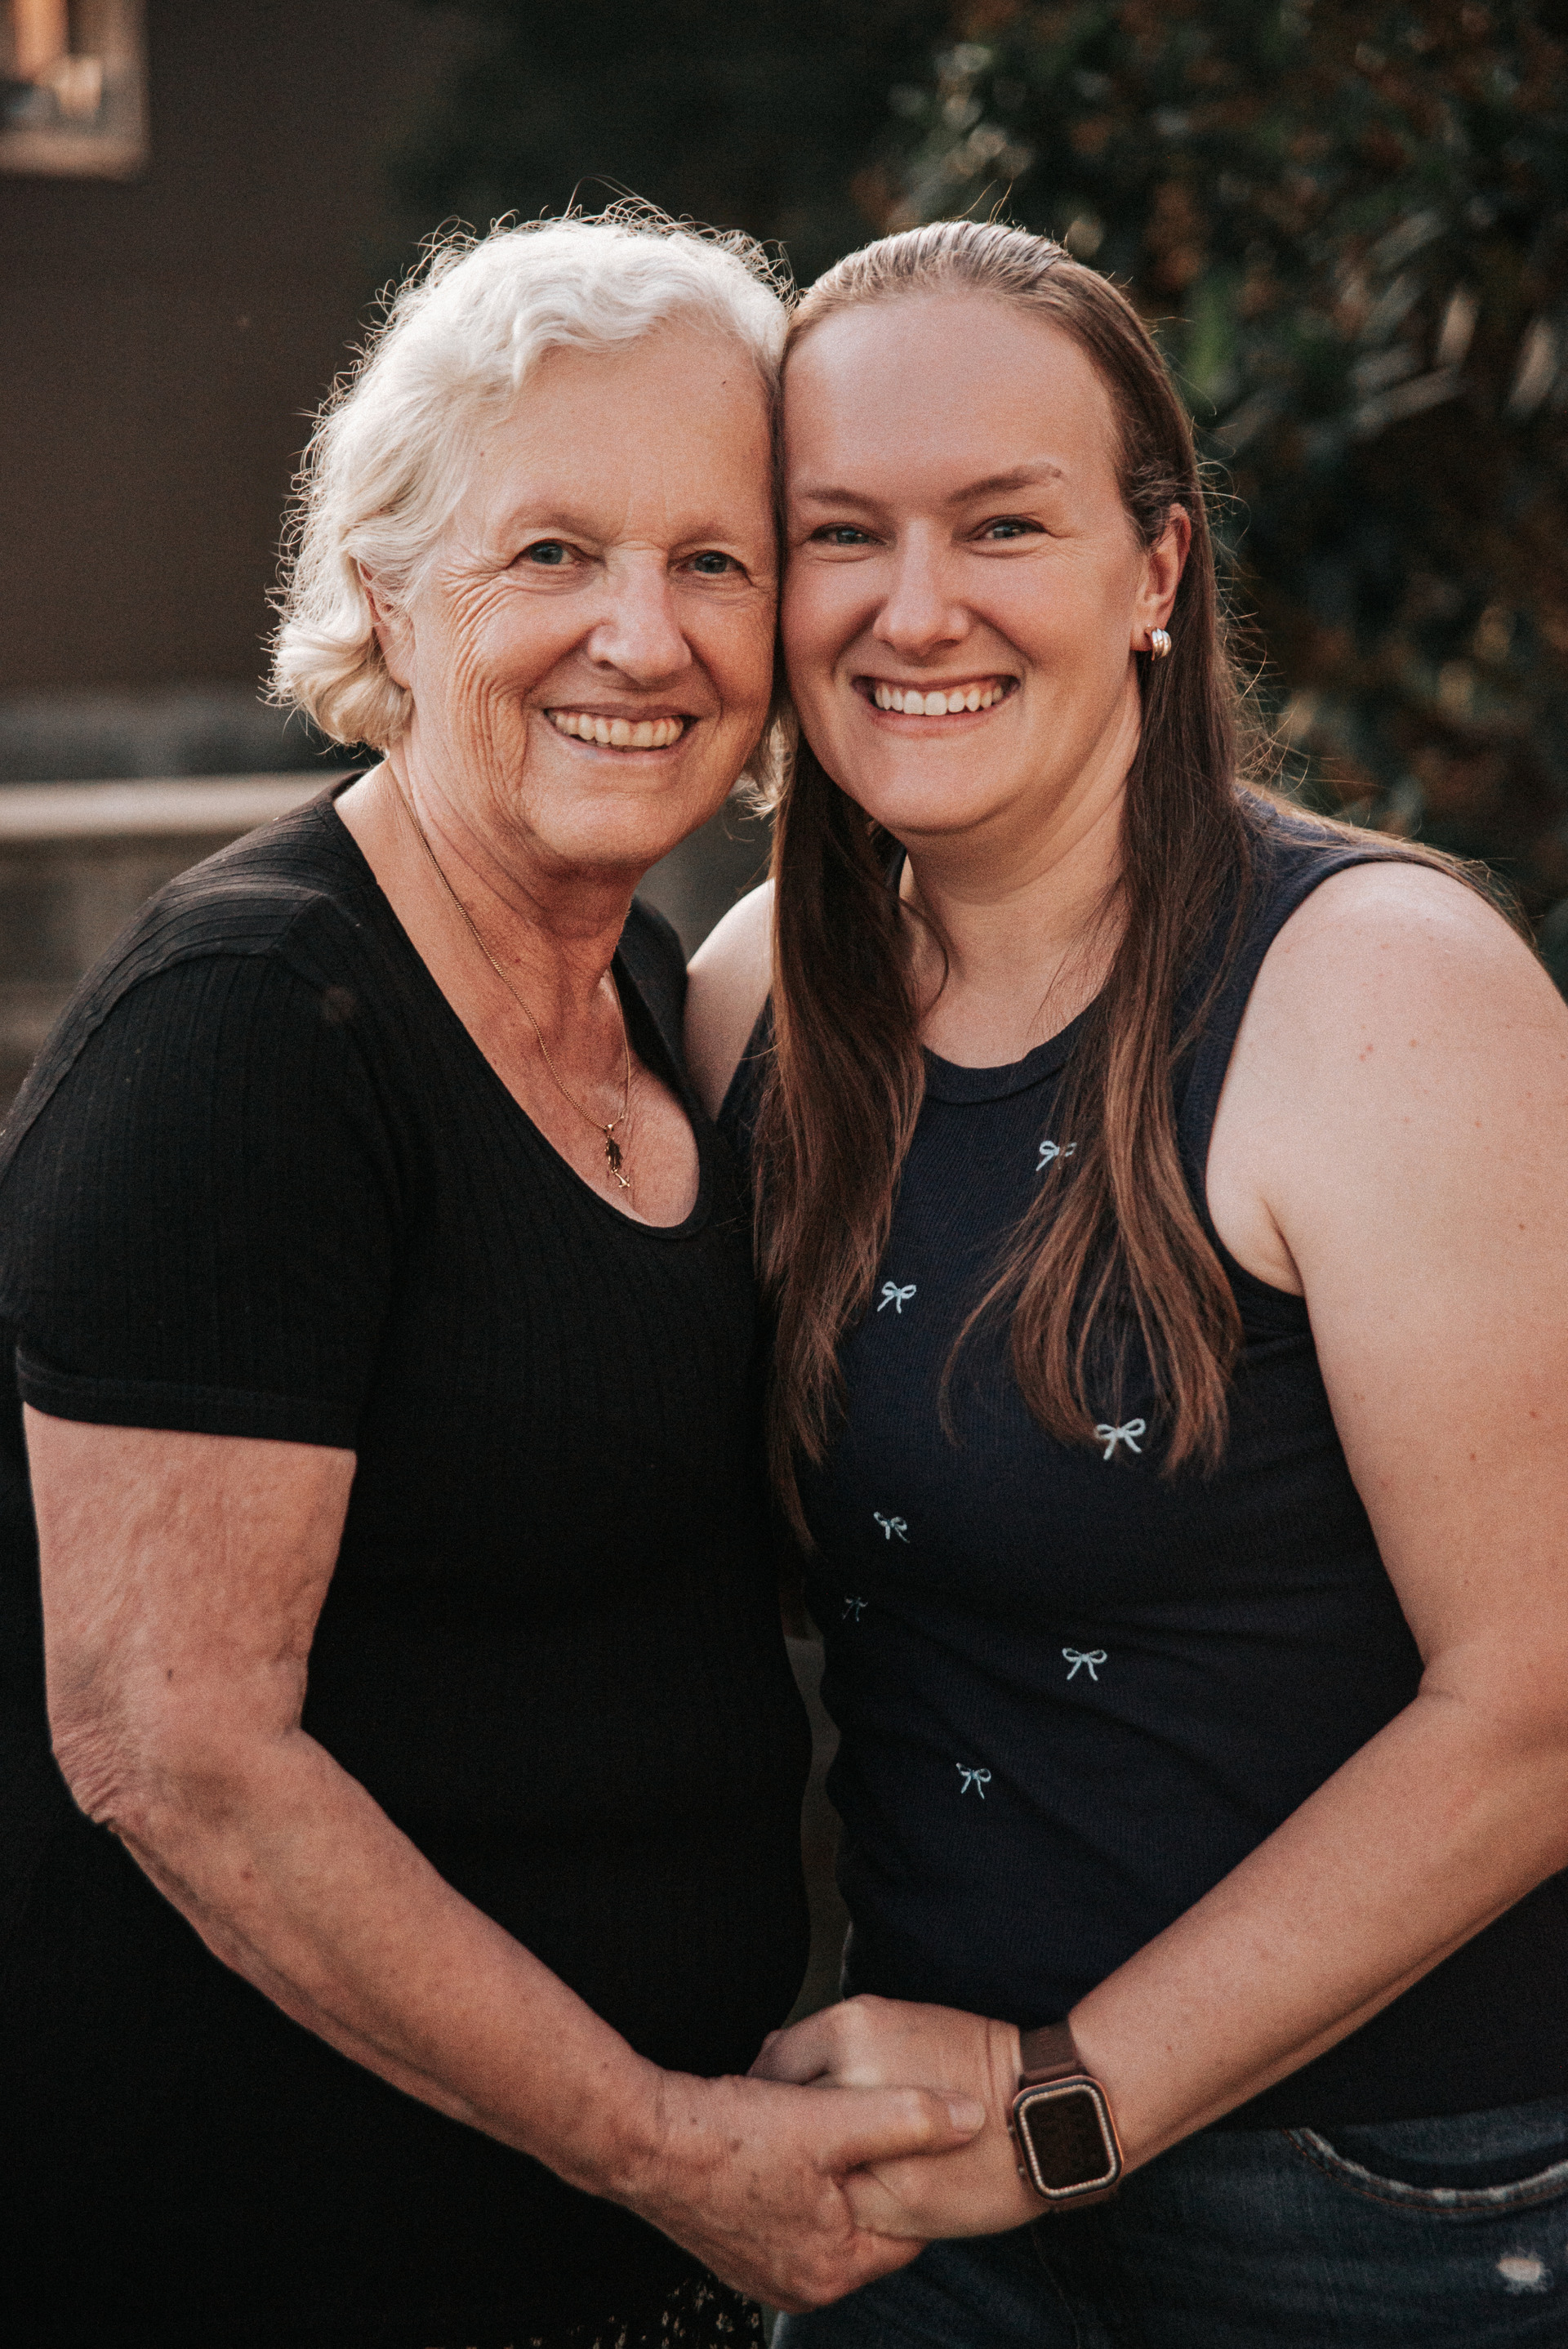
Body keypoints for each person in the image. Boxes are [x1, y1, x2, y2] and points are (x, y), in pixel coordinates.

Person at [0, 214, 985, 2349]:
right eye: (552, 553)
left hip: (610, 2249)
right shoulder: (255, 1030)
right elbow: (175, 1751)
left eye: (714, 560)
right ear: (385, 587)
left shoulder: (645, 991)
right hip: (291, 2254)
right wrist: (664, 2143)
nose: (644, 635)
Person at [687, 219, 1568, 2346]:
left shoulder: (1381, 993)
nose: (915, 606)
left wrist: (1063, 2104)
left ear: (1156, 569)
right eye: (840, 534)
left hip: (1381, 2200)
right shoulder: (755, 1003)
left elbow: (1540, 1700)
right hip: (919, 2169)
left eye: (1004, 523)